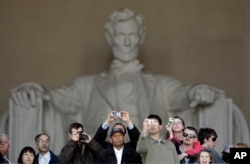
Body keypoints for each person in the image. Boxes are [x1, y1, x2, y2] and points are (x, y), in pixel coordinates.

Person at [0, 7, 249, 160]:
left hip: (143, 155)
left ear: (140, 37)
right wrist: (40, 92)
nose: (127, 43)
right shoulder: (86, 85)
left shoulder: (160, 85)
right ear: (111, 37)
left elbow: (184, 95)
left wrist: (198, 90)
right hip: (99, 155)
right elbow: (59, 97)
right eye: (121, 36)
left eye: (133, 36)